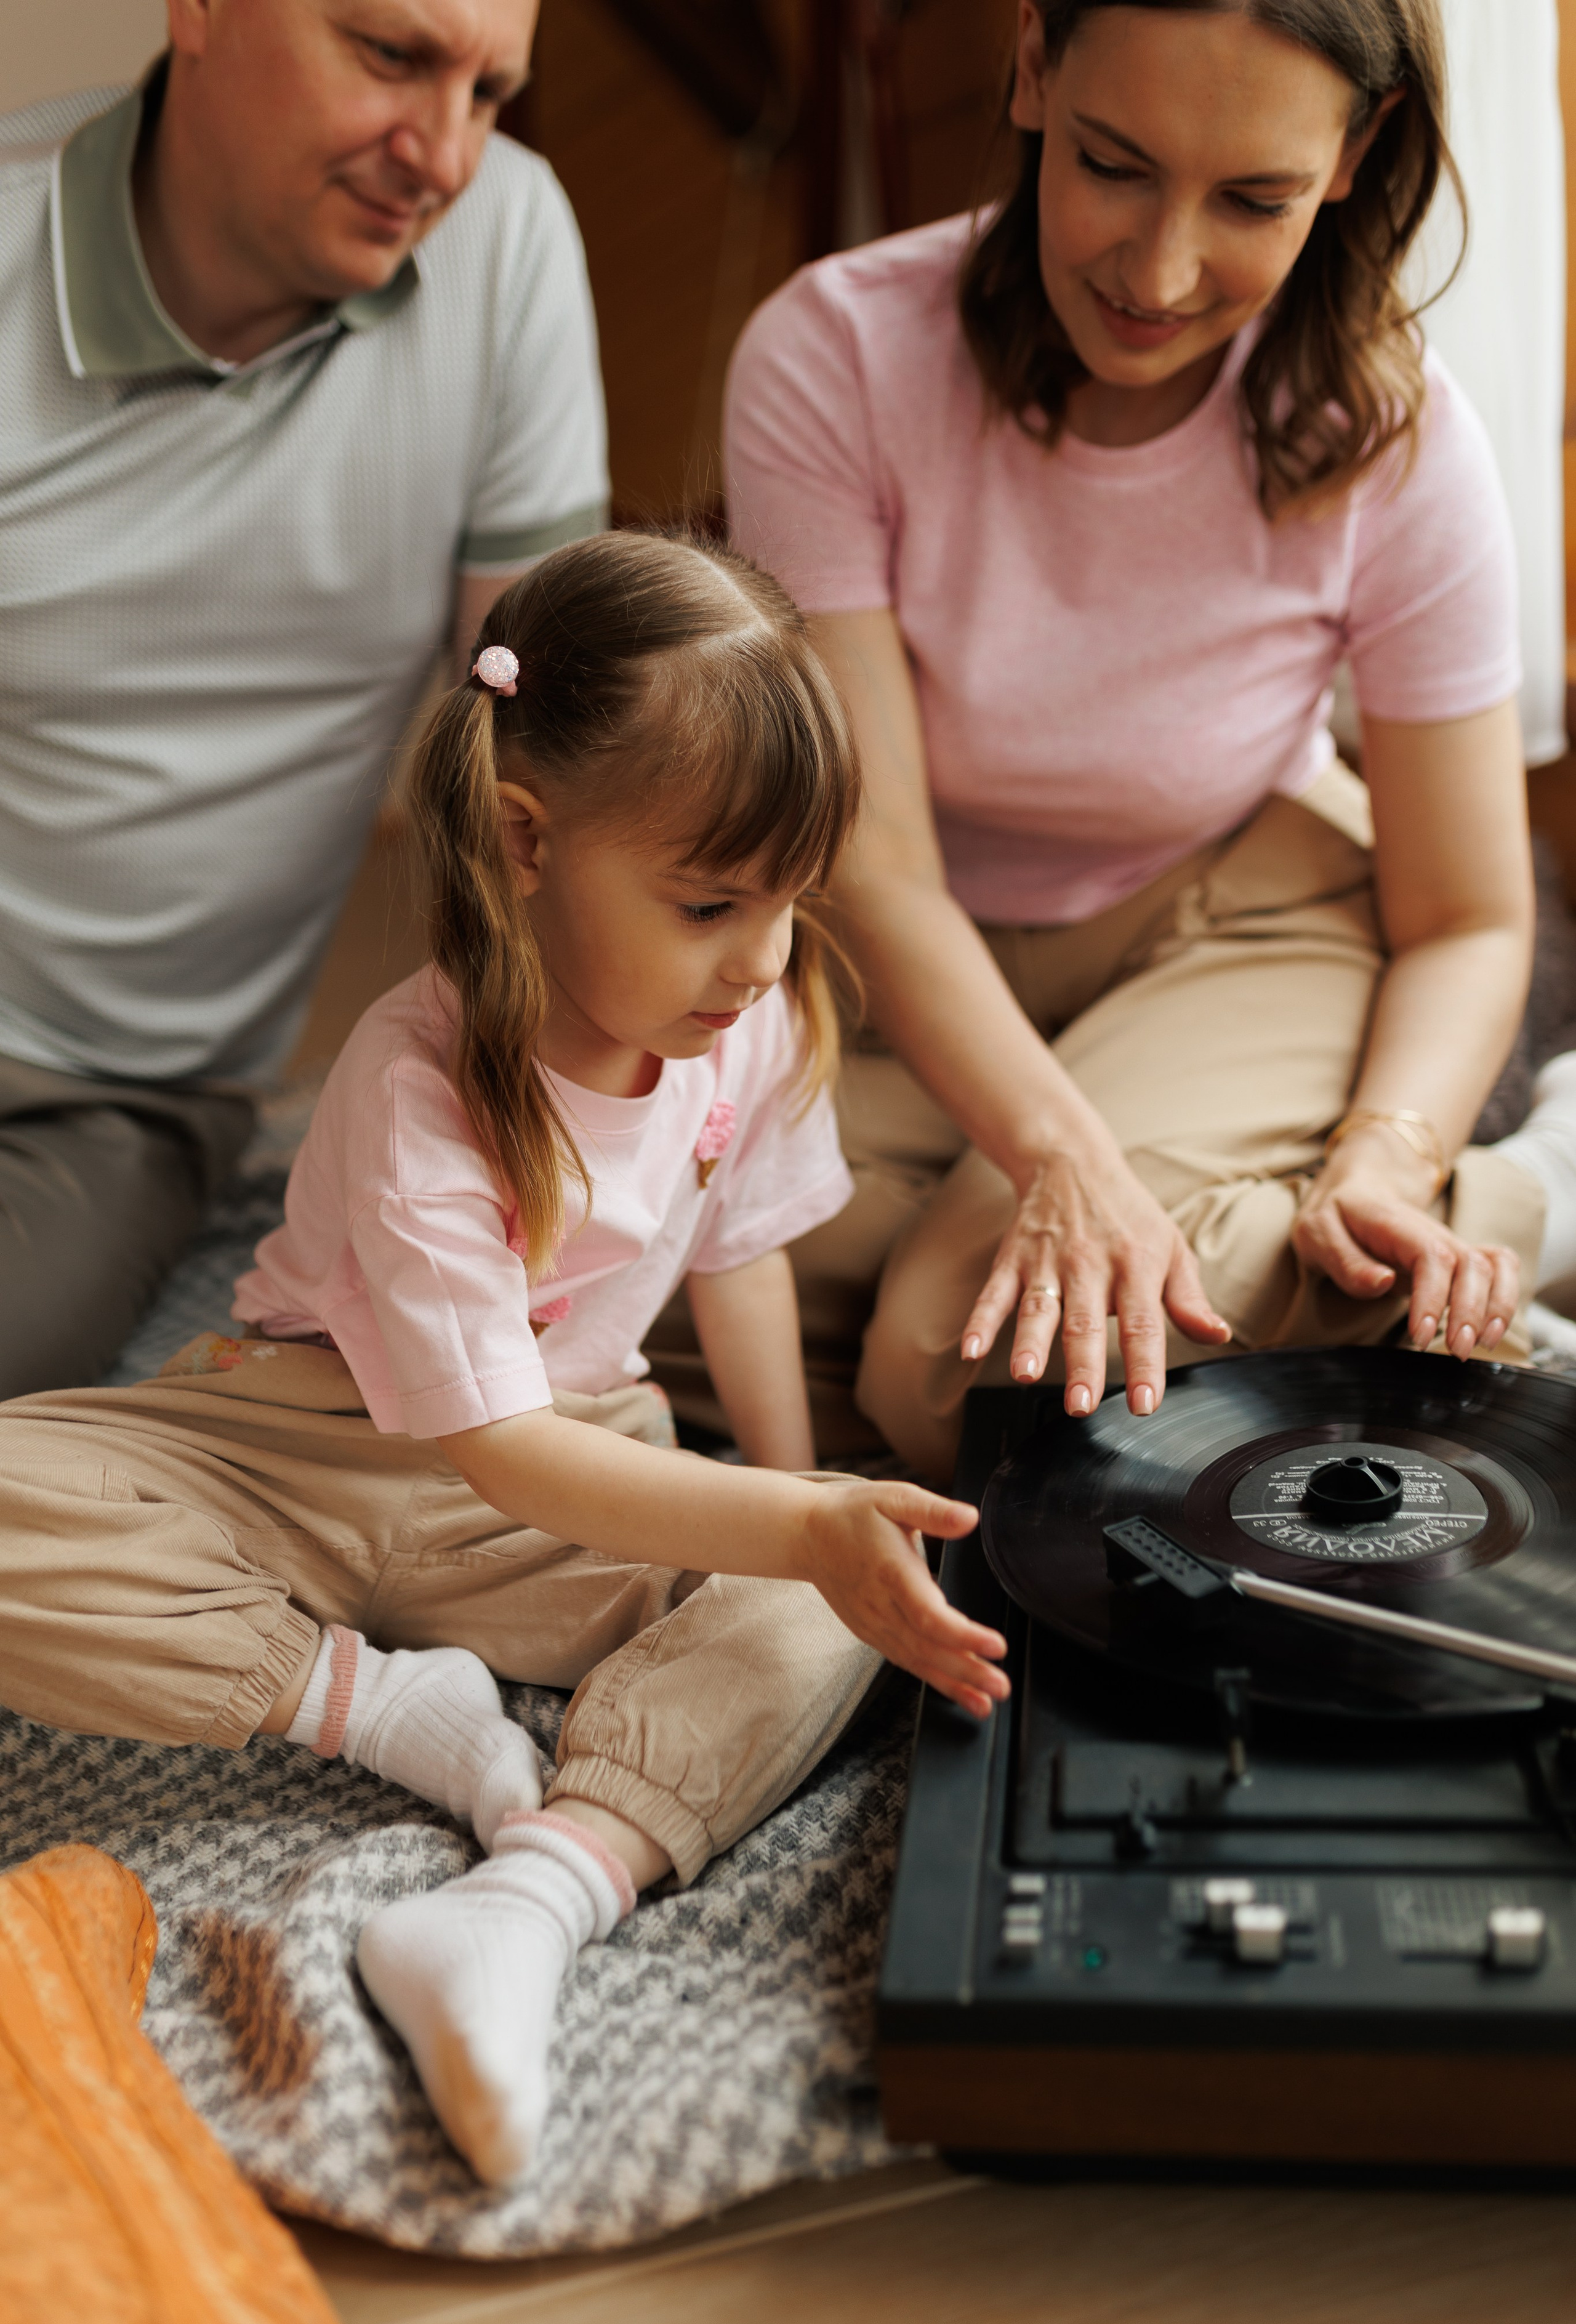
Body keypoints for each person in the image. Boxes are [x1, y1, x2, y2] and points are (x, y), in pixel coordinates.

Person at [0, 533, 1006, 2185]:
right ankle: (388, 1705)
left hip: (567, 1465)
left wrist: (789, 1496)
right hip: (298, 1442)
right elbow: (491, 1447)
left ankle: (532, 1898)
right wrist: (780, 1521)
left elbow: (735, 1255)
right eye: (710, 904)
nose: (760, 956)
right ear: (530, 842)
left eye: (788, 902)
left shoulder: (744, 1022)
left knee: (836, 1581)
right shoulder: (419, 1087)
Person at [722, 0, 1543, 1482]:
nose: (1159, 273)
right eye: (1112, 164)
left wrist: (1384, 1152)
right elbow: (882, 869)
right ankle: (1314, 1261)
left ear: (1352, 158)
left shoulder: (1400, 438)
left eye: (1251, 200)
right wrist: (1060, 1159)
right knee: (610, 1237)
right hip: (898, 953)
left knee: (954, 1350)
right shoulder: (831, 357)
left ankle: (1514, 1201)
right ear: (1032, 64)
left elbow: (1469, 915)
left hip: (1234, 922)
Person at [0, 0, 606, 1397]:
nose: (441, 153)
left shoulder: (502, 245)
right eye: (391, 56)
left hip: (110, 1096)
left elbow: (562, 762)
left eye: (489, 91)